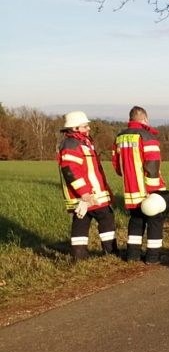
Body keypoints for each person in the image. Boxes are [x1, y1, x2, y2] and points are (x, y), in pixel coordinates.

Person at [112, 106, 169, 264]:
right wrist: (154, 191)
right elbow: (152, 165)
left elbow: (117, 166)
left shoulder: (120, 138)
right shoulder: (147, 136)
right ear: (144, 119)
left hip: (131, 190)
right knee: (155, 220)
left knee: (136, 220)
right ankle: (153, 257)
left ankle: (133, 255)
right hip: (148, 189)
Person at [57, 111, 118, 261]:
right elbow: (70, 171)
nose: (88, 129)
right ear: (75, 128)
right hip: (89, 195)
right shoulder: (72, 144)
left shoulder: (81, 142)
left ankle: (80, 256)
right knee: (106, 218)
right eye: (85, 126)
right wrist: (84, 193)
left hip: (89, 194)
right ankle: (111, 253)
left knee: (81, 222)